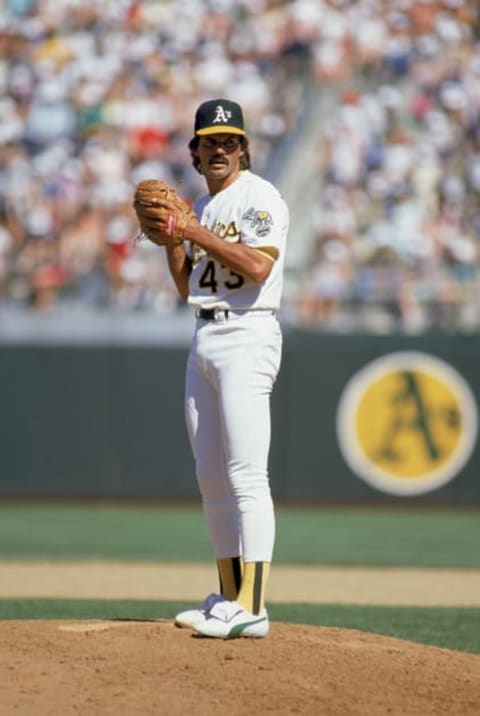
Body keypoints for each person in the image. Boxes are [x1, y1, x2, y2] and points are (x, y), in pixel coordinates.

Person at [162, 98, 289, 638]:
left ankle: (254, 606)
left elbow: (259, 266)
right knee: (211, 476)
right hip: (205, 334)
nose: (220, 149)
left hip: (248, 332)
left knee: (245, 474)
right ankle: (228, 596)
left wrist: (193, 234)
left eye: (229, 141)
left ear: (244, 149)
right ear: (194, 151)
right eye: (209, 141)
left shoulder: (259, 197)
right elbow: (187, 287)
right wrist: (172, 240)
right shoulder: (203, 207)